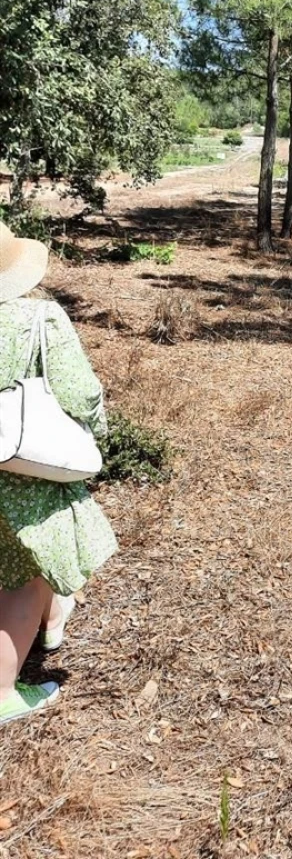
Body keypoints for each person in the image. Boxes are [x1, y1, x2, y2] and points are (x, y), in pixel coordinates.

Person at [0, 220, 117, 725]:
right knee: (26, 576)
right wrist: (97, 433)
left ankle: (50, 625)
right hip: (21, 472)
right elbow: (80, 391)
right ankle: (3, 692)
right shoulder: (38, 318)